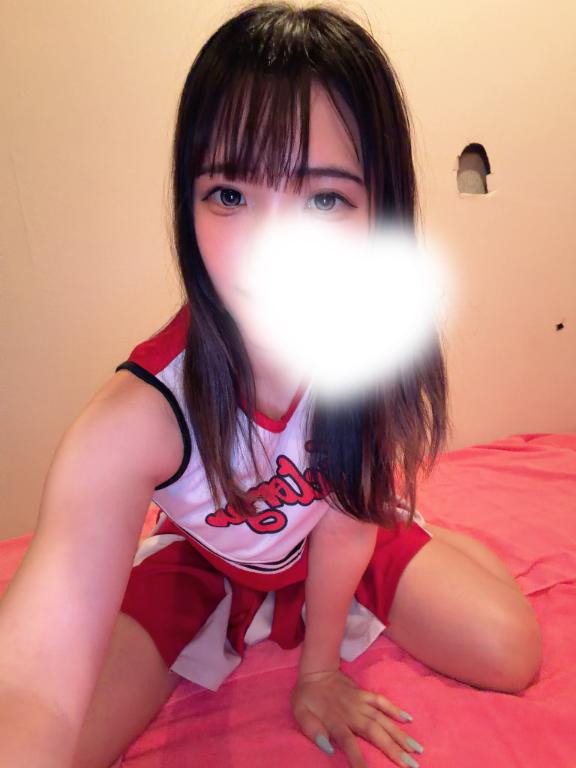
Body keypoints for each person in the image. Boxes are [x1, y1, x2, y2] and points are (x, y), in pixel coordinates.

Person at [0, 3, 543, 768]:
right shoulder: (137, 419)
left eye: (324, 199)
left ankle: (411, 521)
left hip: (340, 532)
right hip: (209, 560)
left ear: (379, 213)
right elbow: (29, 690)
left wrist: (318, 673)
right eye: (230, 194)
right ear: (188, 204)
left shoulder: (369, 348)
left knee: (510, 651)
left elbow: (344, 519)